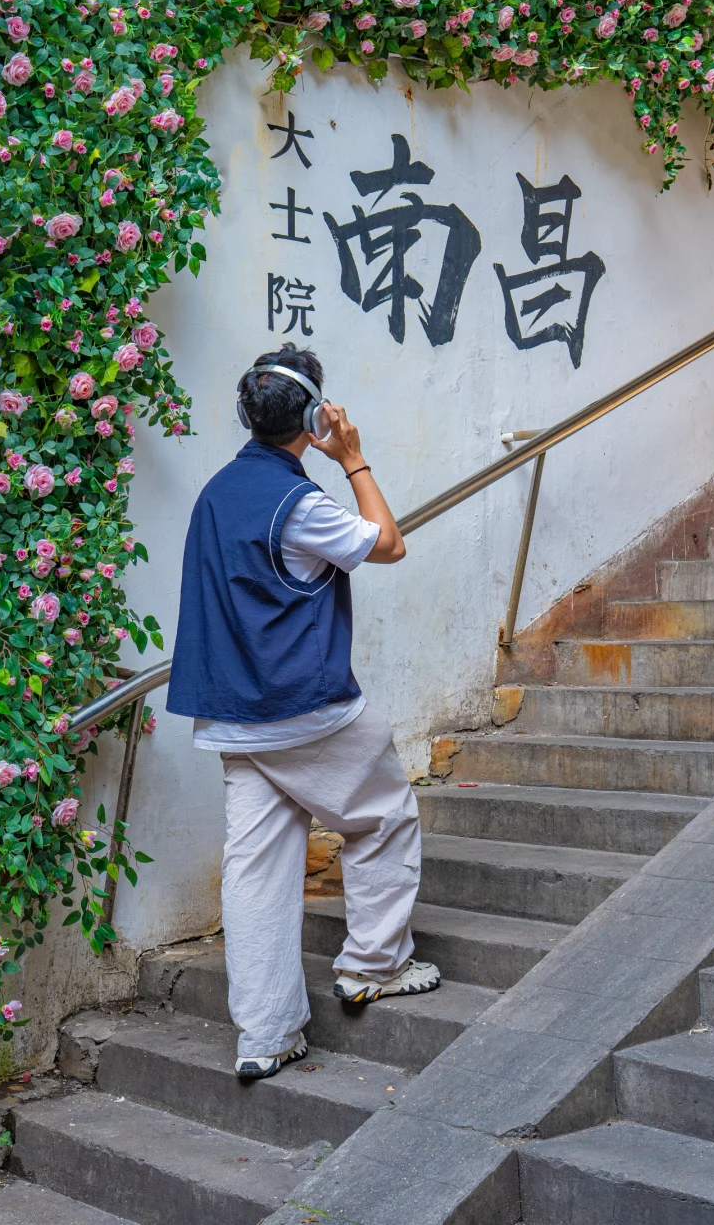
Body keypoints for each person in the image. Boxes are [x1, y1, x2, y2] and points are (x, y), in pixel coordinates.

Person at [166, 343, 440, 1080]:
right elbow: (389, 544)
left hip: (233, 715)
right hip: (303, 709)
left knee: (257, 869)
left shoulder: (217, 492)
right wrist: (353, 458)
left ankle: (266, 1034)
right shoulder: (302, 505)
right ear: (315, 416)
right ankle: (374, 964)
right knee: (383, 814)